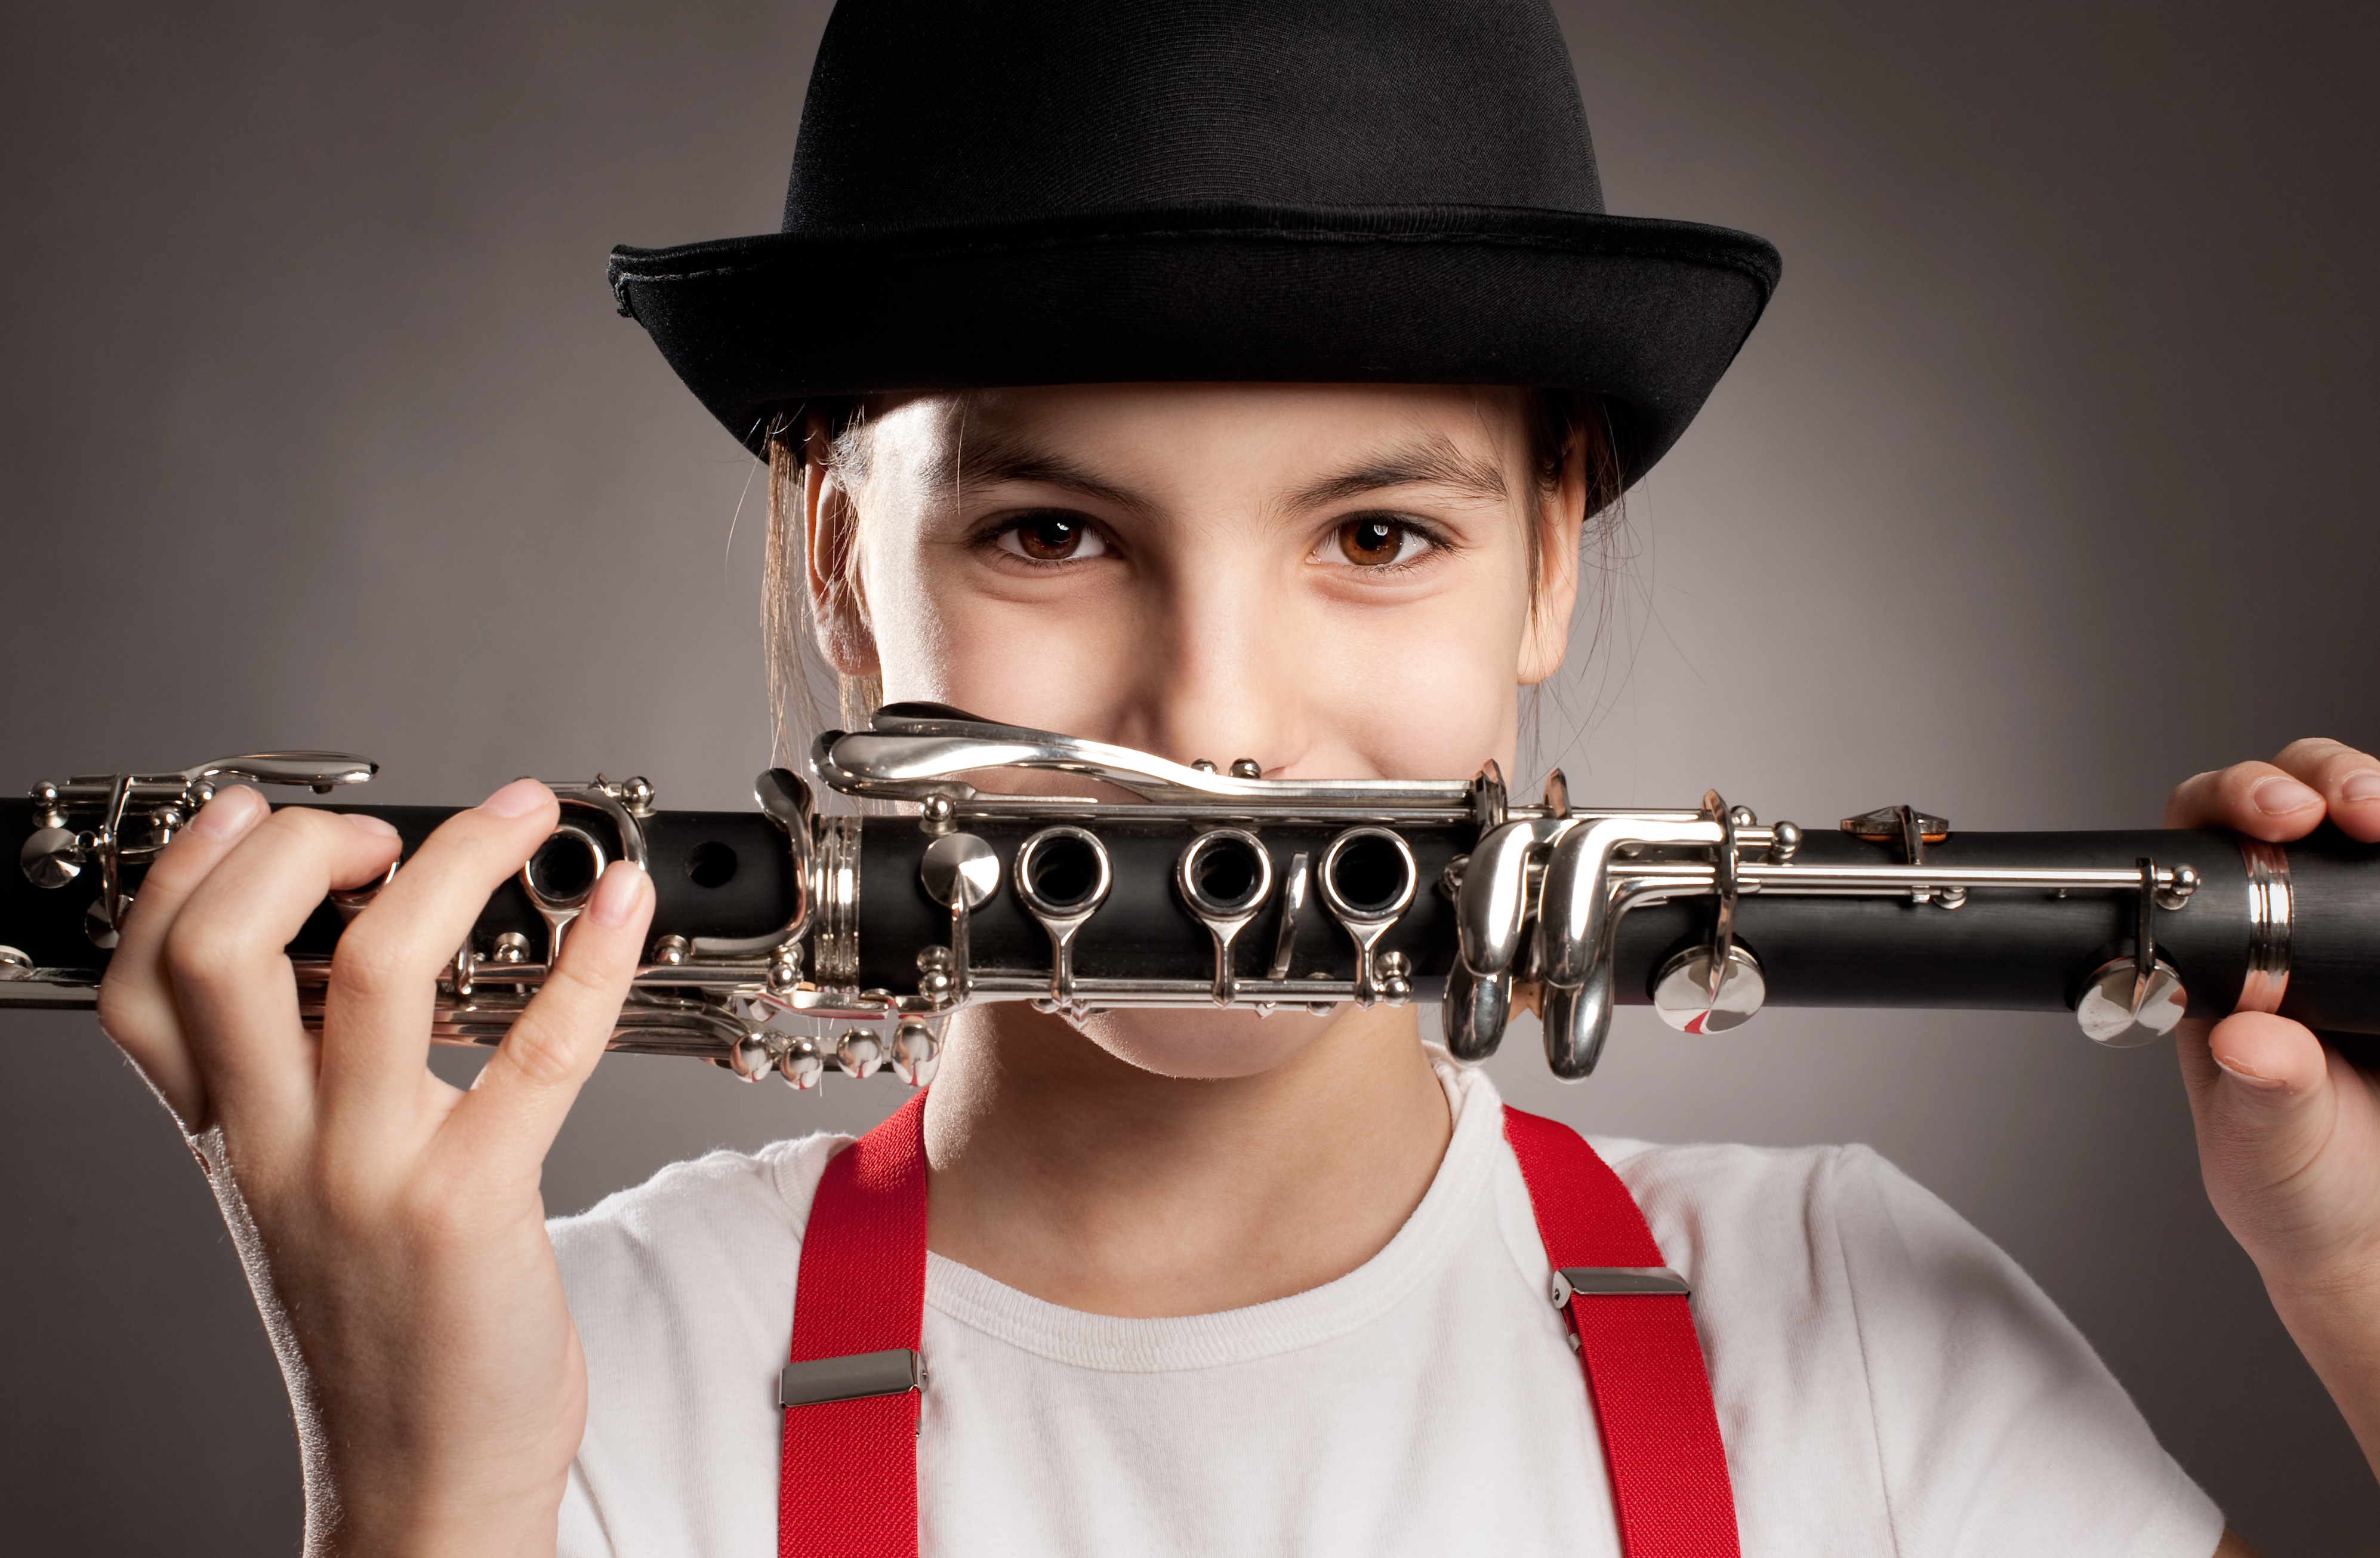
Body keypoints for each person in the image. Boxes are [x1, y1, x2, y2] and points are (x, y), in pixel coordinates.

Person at [90, 2, 2380, 1554]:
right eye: (1048, 529)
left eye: (1376, 535)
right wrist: (417, 1505)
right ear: (835, 555)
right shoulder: (547, 1389)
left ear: (1547, 557)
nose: (1216, 723)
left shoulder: (1861, 1334)